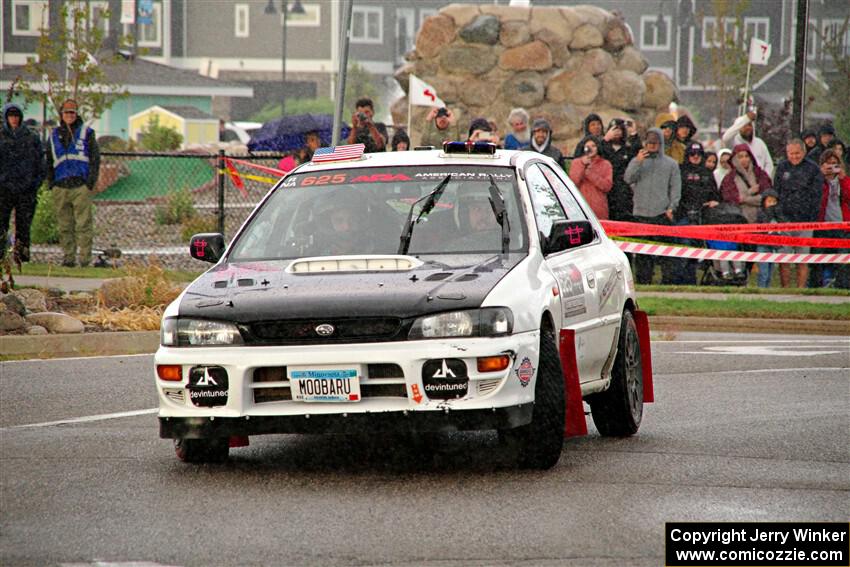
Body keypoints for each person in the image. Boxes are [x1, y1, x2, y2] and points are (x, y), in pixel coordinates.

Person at [624, 128, 681, 284]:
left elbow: (675, 188)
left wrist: (671, 208)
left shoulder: (671, 164)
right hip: (641, 214)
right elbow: (628, 178)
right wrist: (637, 161)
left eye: (655, 143)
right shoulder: (638, 161)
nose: (652, 146)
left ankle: (668, 283)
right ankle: (643, 282)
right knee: (643, 254)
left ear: (661, 144)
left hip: (662, 214)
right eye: (649, 143)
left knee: (665, 252)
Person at [47, 99, 100, 267]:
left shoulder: (87, 133)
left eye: (72, 112)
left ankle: (85, 260)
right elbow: (48, 160)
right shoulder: (54, 135)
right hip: (60, 186)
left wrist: (89, 183)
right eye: (66, 112)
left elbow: (95, 159)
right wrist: (51, 183)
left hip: (80, 186)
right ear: (61, 115)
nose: (69, 115)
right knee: (64, 226)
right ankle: (68, 259)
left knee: (84, 225)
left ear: (76, 114)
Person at [773, 138, 823, 288]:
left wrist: (810, 219)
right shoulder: (782, 167)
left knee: (803, 259)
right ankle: (785, 291)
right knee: (785, 259)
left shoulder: (813, 169)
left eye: (797, 153)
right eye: (791, 153)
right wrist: (779, 218)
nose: (794, 156)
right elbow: (776, 193)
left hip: (805, 222)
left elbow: (817, 196)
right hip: (785, 221)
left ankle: (801, 291)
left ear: (804, 151)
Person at [0, 103, 44, 263]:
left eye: (16, 116)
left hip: (26, 189)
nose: (14, 119)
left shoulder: (31, 137)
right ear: (6, 117)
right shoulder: (1, 136)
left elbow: (40, 163)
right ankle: (1, 256)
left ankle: (22, 256)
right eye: (11, 116)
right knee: (1, 224)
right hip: (4, 189)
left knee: (24, 225)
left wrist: (35, 183)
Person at [673, 142, 720, 284]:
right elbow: (675, 193)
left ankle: (691, 281)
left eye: (698, 154)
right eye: (692, 154)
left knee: (695, 250)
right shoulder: (680, 171)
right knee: (683, 250)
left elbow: (716, 195)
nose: (695, 157)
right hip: (683, 215)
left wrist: (713, 202)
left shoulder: (707, 173)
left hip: (701, 217)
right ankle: (678, 281)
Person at [816, 149, 850, 288]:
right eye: (828, 164)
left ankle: (841, 285)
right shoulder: (818, 181)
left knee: (842, 259)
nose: (832, 168)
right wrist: (821, 176)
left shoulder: (843, 180)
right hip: (823, 225)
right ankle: (823, 283)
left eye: (835, 164)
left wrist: (843, 179)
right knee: (822, 258)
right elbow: (817, 196)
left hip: (842, 225)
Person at [600, 117, 641, 221]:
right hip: (607, 190)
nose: (617, 132)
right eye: (614, 129)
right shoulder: (604, 147)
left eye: (620, 129)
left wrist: (634, 134)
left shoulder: (627, 149)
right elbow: (596, 153)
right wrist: (605, 139)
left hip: (623, 191)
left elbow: (638, 152)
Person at [720, 143, 772, 224]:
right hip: (739, 220)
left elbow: (767, 197)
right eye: (740, 157)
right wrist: (749, 192)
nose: (744, 159)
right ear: (734, 159)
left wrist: (743, 199)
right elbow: (730, 199)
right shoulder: (729, 178)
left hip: (761, 220)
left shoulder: (760, 174)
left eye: (746, 156)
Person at [721, 108, 774, 178]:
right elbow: (725, 138)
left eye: (749, 125)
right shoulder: (733, 141)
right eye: (744, 126)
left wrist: (764, 179)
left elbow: (769, 164)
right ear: (738, 127)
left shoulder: (760, 143)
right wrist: (746, 118)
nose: (748, 128)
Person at [569, 135, 613, 219]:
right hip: (580, 207)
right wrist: (582, 165)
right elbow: (573, 183)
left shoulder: (605, 164)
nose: (591, 149)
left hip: (599, 209)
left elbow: (607, 186)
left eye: (593, 146)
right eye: (587, 147)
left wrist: (590, 173)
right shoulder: (576, 163)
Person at [754, 189, 790, 288]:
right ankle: (761, 290)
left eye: (774, 202)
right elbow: (762, 224)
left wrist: (778, 213)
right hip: (763, 245)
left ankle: (768, 290)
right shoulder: (761, 212)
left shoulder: (778, 213)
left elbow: (784, 223)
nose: (772, 204)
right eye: (769, 201)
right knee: (763, 273)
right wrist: (770, 212)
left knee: (770, 273)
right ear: (764, 202)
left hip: (774, 245)